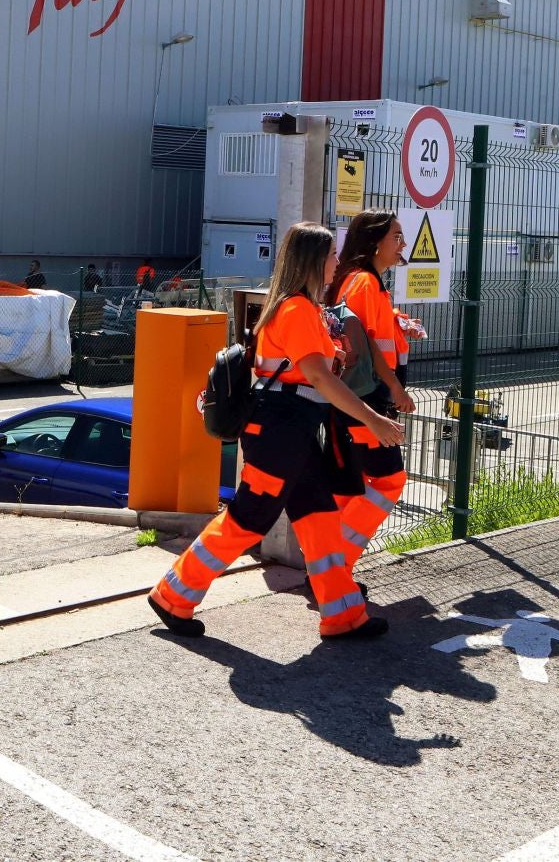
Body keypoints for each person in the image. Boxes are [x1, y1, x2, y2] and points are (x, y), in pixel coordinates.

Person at [147, 222, 402, 641]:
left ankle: (343, 616)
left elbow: (308, 371)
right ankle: (172, 595)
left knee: (319, 521)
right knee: (248, 520)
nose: (338, 262)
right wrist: (373, 419)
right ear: (315, 261)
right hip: (281, 433)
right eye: (332, 256)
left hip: (290, 432)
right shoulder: (297, 310)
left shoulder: (297, 307)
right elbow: (319, 379)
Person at [326, 209, 415, 568]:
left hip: (358, 398)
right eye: (396, 236)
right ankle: (333, 567)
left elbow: (365, 331)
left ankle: (329, 565)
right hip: (368, 398)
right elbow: (368, 347)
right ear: (374, 242)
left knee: (352, 487)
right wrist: (396, 388)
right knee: (389, 481)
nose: (403, 244)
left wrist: (396, 322)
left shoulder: (359, 280)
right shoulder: (364, 282)